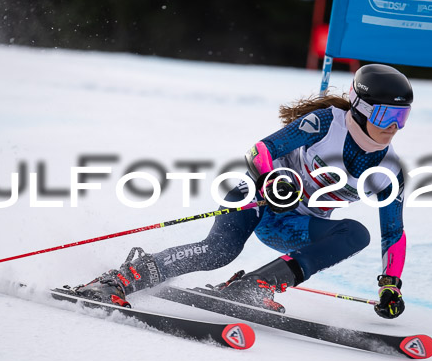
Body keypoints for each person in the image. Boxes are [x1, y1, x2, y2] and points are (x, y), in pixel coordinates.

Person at [65, 63, 412, 319]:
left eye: (403, 116)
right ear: (362, 108)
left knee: (355, 233)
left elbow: (393, 231)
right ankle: (118, 280)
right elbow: (258, 152)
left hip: (294, 228)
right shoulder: (325, 124)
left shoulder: (390, 168)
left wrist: (390, 284)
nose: (394, 126)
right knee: (218, 251)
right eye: (386, 114)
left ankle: (255, 287)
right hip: (259, 198)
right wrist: (272, 181)